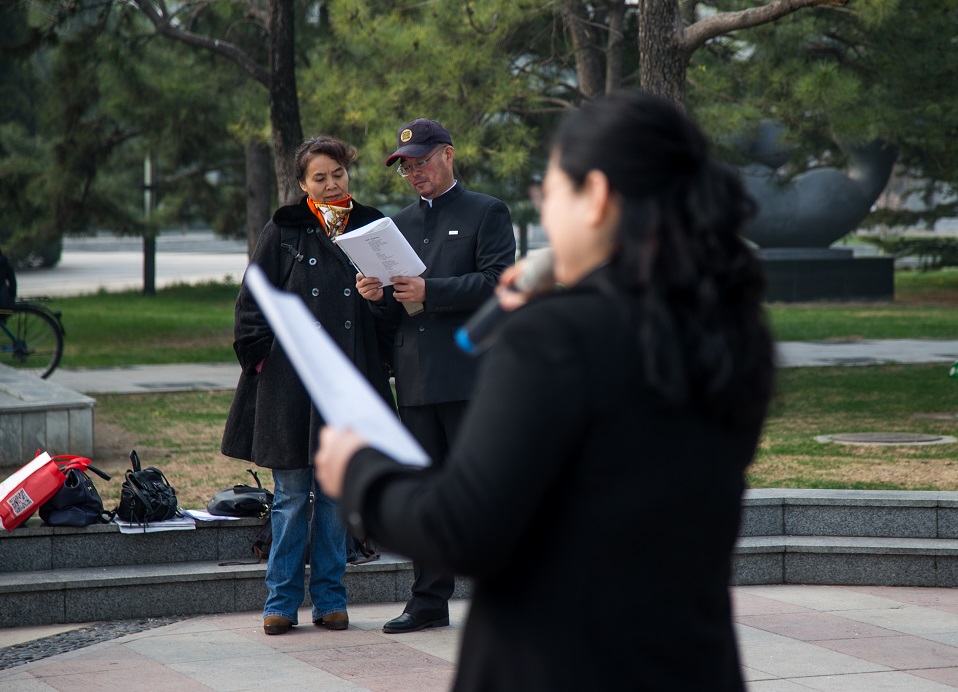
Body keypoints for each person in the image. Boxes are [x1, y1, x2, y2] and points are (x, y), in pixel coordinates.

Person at [319, 90, 775, 689]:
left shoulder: (555, 338)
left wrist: (359, 473)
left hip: (565, 662)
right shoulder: (732, 330)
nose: (544, 205)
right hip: (689, 660)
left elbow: (463, 527)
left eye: (550, 190)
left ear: (597, 198)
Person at [221, 135, 394, 636]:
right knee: (293, 495)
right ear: (302, 183)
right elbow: (252, 298)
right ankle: (280, 603)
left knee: (336, 495)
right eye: (320, 177)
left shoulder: (372, 227)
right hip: (290, 382)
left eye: (338, 173)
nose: (331, 183)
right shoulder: (284, 228)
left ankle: (331, 600)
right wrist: (261, 359)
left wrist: (378, 300)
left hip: (348, 378)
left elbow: (393, 306)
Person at [354, 117, 516, 634]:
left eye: (421, 162)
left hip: (469, 376)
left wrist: (432, 291)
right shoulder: (395, 225)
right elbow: (395, 311)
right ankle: (428, 600)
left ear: (448, 154)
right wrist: (375, 297)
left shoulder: (486, 211)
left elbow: (499, 284)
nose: (414, 173)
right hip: (416, 378)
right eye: (405, 168)